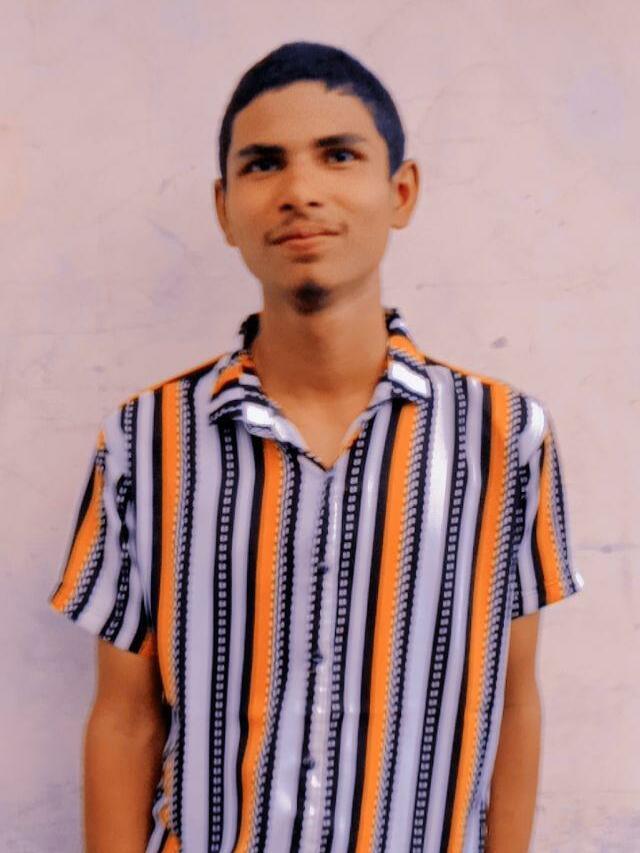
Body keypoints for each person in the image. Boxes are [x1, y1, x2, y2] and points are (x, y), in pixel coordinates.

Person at [48, 40, 585, 853]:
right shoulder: (146, 439)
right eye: (264, 163)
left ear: (400, 191)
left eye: (338, 155)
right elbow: (125, 718)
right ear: (225, 209)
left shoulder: (505, 436)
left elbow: (512, 703)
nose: (300, 191)